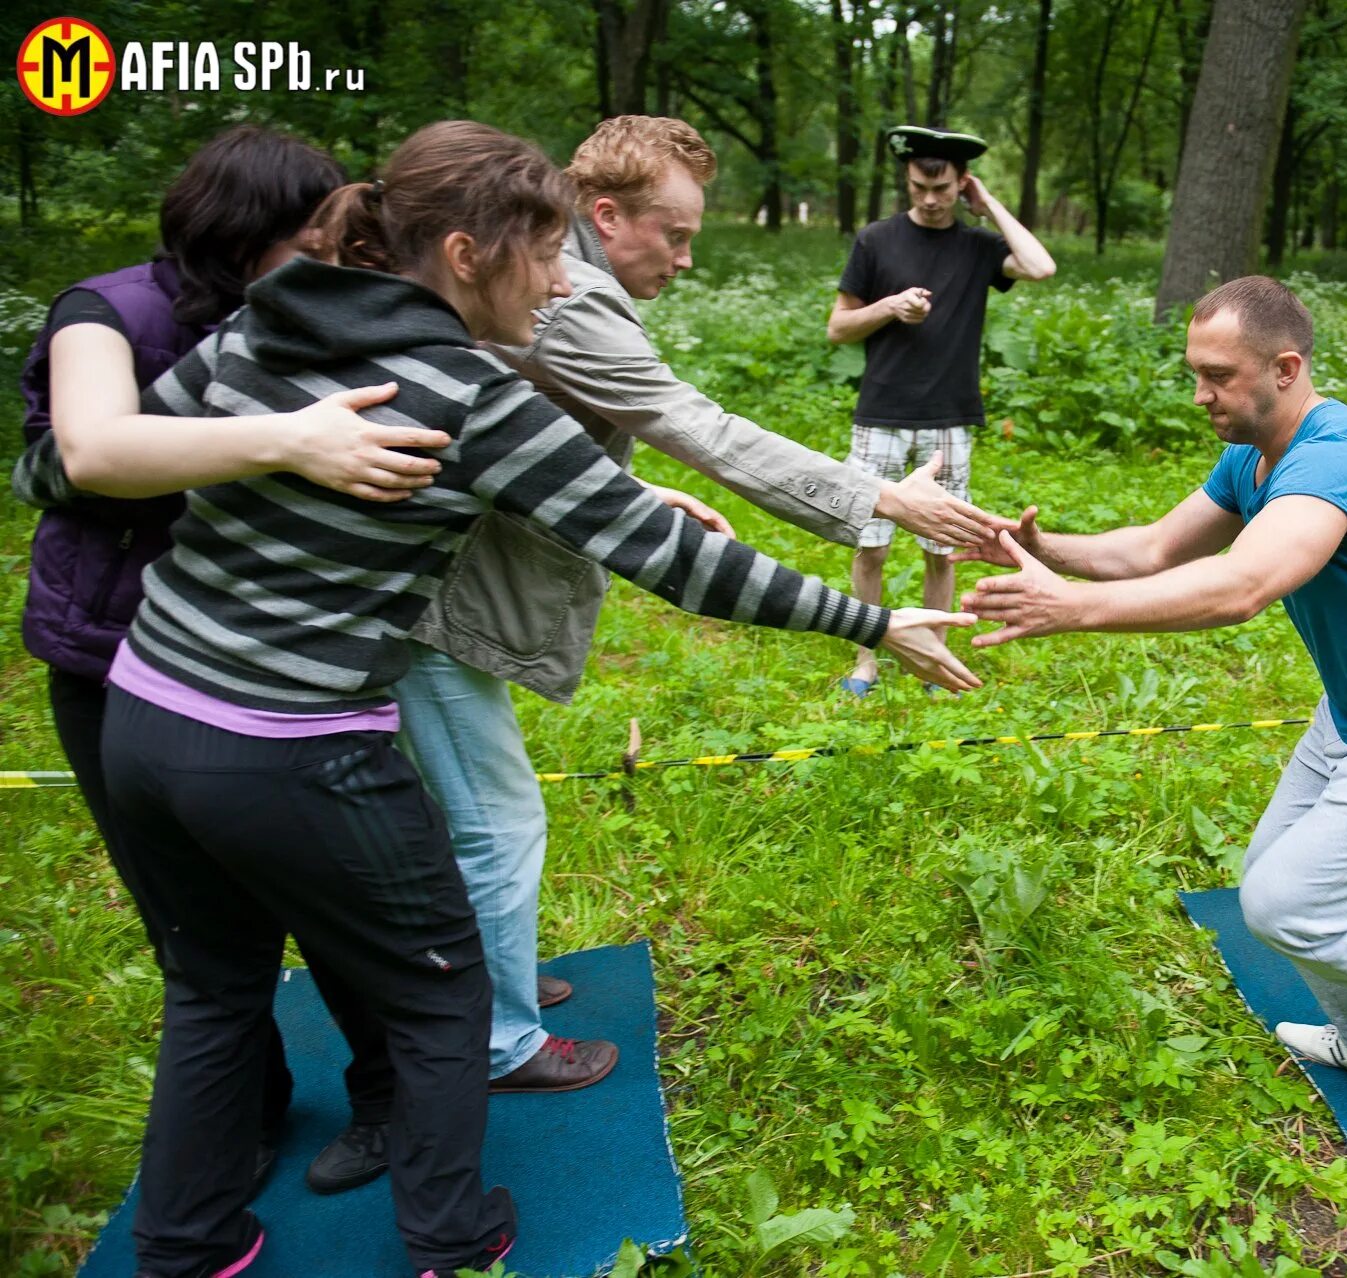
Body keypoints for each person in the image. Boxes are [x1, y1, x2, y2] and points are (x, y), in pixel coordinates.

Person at [34, 119, 977, 1278]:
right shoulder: (471, 389)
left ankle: (187, 1249)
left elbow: (64, 465)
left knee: (215, 991)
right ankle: (454, 1240)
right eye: (546, 257)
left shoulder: (268, 322)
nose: (562, 282)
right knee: (442, 999)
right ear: (471, 254)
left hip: (136, 714)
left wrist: (269, 440)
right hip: (290, 742)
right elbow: (669, 562)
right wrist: (875, 618)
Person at [7, 124, 433, 1201]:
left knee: (340, 899)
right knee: (195, 928)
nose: (338, 267)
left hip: (280, 661)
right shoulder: (108, 314)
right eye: (312, 242)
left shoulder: (314, 312)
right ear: (244, 235)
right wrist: (292, 439)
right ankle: (250, 1110)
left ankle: (387, 1097)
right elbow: (93, 455)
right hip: (115, 662)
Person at [956, 276, 1347, 1090]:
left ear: (1286, 369)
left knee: (1288, 907)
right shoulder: (1254, 458)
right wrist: (1046, 551)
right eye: (1195, 372)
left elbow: (1243, 585)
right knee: (1276, 882)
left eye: (1218, 376)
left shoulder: (1339, 462)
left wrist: (1072, 609)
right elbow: (1150, 549)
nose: (1199, 395)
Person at [829, 124, 1056, 696]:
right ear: (907, 182)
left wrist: (991, 206)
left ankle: (933, 657)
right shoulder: (876, 240)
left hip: (949, 421)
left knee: (942, 552)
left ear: (961, 185)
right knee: (871, 544)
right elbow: (838, 328)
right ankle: (866, 660)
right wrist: (887, 306)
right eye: (918, 188)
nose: (930, 201)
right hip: (880, 413)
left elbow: (1040, 267)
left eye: (944, 189)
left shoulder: (977, 247)